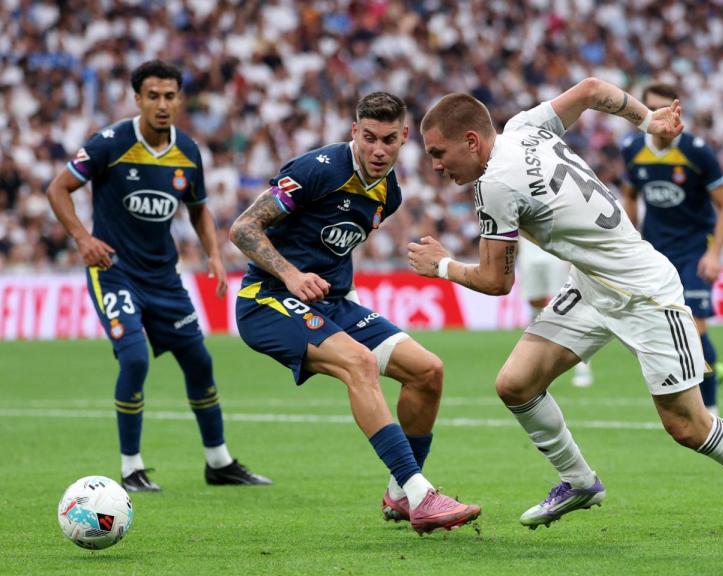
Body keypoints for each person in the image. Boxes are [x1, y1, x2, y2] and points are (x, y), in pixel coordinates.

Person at [409, 78, 723, 541]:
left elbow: (497, 281)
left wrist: (442, 266)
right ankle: (579, 481)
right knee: (516, 384)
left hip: (644, 293)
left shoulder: (495, 184)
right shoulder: (524, 127)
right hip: (592, 284)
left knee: (687, 425)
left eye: (438, 153)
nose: (435, 166)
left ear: (472, 141)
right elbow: (593, 90)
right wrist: (647, 119)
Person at [228, 92, 481, 534]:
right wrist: (290, 274)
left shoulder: (391, 192)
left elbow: (331, 242)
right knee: (360, 364)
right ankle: (421, 494)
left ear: (404, 137)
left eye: (388, 140)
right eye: (368, 138)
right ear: (354, 133)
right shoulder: (317, 170)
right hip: (266, 298)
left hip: (332, 303)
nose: (378, 150)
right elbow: (243, 227)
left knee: (428, 372)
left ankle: (400, 494)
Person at [45, 60, 270, 492]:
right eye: (153, 96)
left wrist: (214, 256)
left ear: (180, 99)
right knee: (134, 358)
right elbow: (57, 188)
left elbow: (199, 207)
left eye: (170, 96)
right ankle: (131, 468)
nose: (162, 104)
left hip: (165, 279)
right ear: (138, 99)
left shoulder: (188, 150)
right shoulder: (109, 143)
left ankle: (219, 462)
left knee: (200, 361)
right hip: (113, 272)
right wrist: (82, 239)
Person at [621, 82, 723, 414]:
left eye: (668, 108)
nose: (663, 116)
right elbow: (629, 195)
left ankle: (710, 413)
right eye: (653, 108)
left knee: (694, 330)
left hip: (695, 250)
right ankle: (711, 368)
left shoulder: (697, 151)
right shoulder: (631, 148)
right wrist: (631, 240)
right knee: (671, 334)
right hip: (655, 253)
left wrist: (714, 254)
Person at [516, 238, 593, 387]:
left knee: (567, 308)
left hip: (555, 251)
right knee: (535, 304)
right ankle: (536, 368)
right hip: (528, 252)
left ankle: (582, 368)